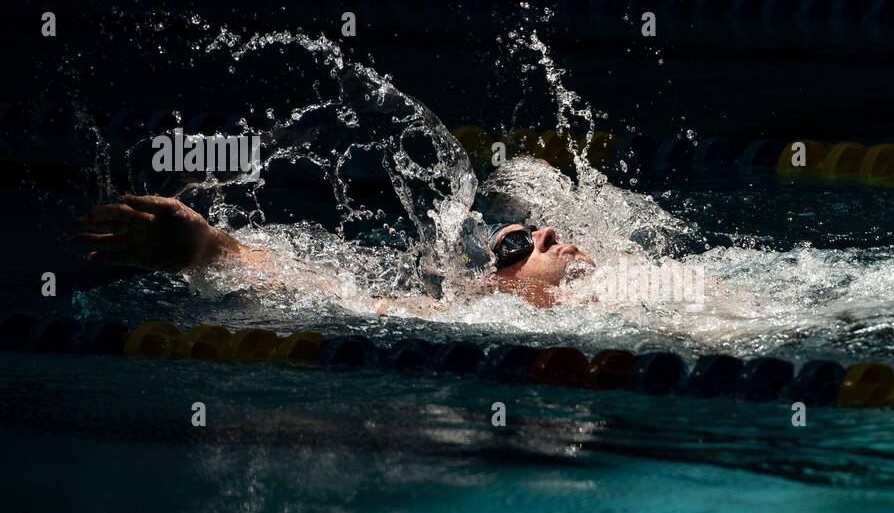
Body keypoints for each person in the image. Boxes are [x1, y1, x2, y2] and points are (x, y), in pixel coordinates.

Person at [73, 194, 594, 309]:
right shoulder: (471, 319)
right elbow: (332, 295)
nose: (547, 232)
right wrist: (210, 250)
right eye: (517, 244)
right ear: (493, 283)